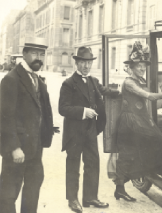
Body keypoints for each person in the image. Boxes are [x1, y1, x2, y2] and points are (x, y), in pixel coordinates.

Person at [0, 37, 58, 213]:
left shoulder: (38, 80)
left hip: (35, 148)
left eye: (42, 54)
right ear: (24, 54)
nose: (38, 57)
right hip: (17, 150)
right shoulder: (11, 79)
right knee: (8, 194)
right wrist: (14, 147)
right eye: (34, 53)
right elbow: (5, 117)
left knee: (32, 192)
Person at [59, 46, 119, 213]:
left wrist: (119, 91)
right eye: (82, 62)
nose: (86, 66)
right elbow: (62, 109)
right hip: (74, 132)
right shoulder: (68, 83)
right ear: (77, 63)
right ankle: (72, 199)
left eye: (88, 63)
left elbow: (104, 91)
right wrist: (84, 112)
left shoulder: (93, 81)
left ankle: (90, 197)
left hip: (90, 131)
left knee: (92, 163)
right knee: (73, 165)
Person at [113, 41, 162, 201]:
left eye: (143, 65)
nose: (142, 68)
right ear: (131, 67)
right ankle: (121, 188)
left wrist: (149, 121)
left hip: (139, 120)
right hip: (129, 123)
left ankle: (146, 173)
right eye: (138, 65)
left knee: (156, 142)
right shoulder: (129, 82)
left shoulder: (140, 80)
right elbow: (150, 97)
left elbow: (143, 106)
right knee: (128, 154)